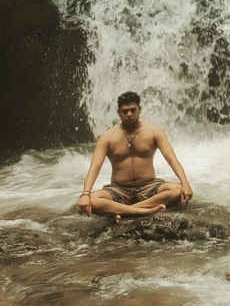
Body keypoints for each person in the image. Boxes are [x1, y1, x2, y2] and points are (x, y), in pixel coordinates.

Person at [76, 91, 194, 219]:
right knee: (91, 200)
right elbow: (95, 165)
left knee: (178, 190)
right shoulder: (107, 137)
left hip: (149, 187)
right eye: (125, 111)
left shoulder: (154, 131)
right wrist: (85, 194)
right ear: (118, 112)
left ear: (140, 109)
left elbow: (172, 159)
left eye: (133, 110)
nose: (129, 114)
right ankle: (144, 210)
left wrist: (185, 183)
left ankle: (127, 210)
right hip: (119, 190)